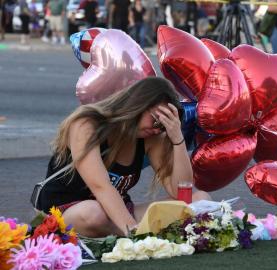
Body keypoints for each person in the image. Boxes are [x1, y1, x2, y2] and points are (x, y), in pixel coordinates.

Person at [35, 77, 211, 237]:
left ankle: (127, 232)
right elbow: (101, 186)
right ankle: (136, 233)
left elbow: (181, 192)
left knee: (200, 200)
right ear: (139, 105)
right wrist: (135, 235)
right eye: (156, 119)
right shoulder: (86, 124)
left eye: (164, 123)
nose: (158, 128)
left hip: (119, 214)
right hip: (67, 211)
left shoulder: (152, 137)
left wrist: (177, 139)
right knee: (93, 214)